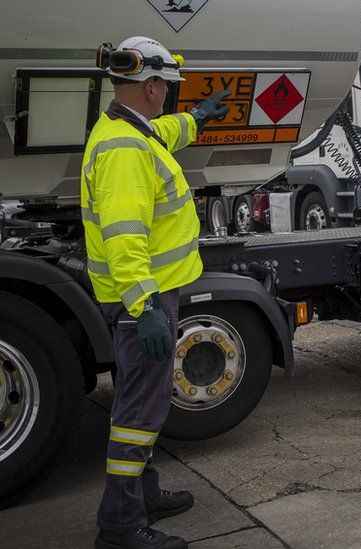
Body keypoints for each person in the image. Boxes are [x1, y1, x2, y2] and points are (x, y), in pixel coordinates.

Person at [83, 36, 229, 549]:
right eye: (166, 87)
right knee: (138, 416)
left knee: (138, 401)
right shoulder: (124, 150)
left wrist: (198, 119)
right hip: (142, 301)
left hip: (142, 297)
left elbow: (162, 132)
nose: (168, 96)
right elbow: (126, 237)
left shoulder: (128, 130)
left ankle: (143, 495)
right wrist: (143, 308)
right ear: (149, 87)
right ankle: (121, 528)